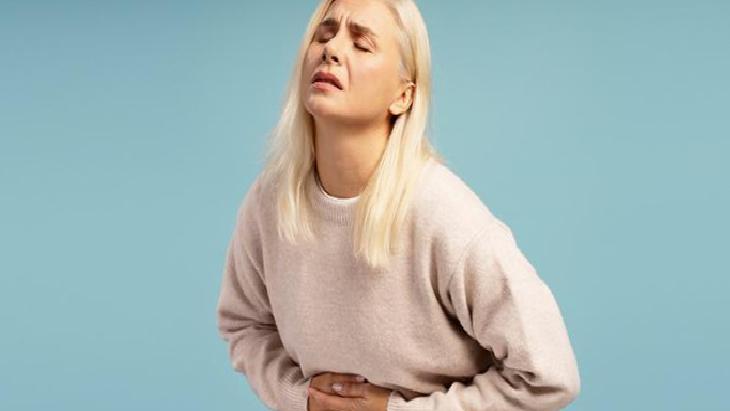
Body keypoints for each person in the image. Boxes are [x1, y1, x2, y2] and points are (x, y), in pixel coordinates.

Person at [216, 0, 581, 410]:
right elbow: (243, 324)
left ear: (402, 96)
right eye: (324, 35)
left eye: (361, 44)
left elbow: (549, 375)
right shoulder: (271, 202)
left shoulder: (442, 213)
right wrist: (300, 397)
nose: (331, 49)